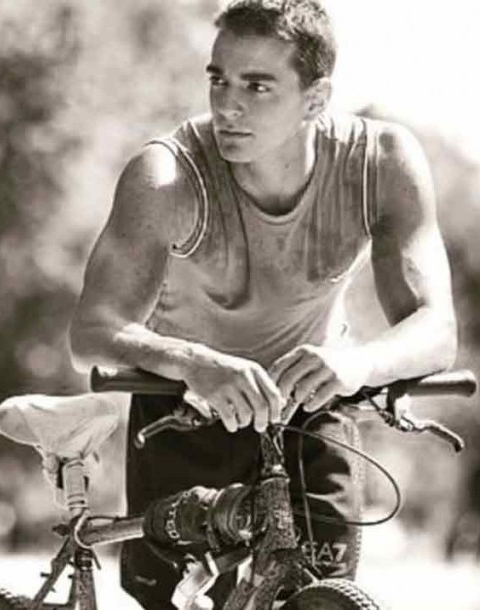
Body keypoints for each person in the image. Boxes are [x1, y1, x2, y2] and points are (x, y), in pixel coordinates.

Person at [69, 0, 457, 607]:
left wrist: (359, 364)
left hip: (312, 409)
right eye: (218, 79)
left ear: (315, 98)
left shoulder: (379, 163)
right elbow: (91, 332)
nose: (227, 105)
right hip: (185, 410)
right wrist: (195, 362)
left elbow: (436, 330)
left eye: (257, 86)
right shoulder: (165, 177)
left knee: (320, 597)